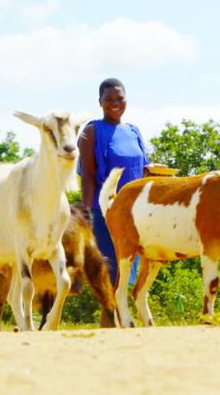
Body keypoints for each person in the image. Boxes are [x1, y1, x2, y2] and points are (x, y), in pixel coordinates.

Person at [77, 78, 150, 285]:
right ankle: (109, 318)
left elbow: (141, 169)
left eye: (120, 98)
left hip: (135, 213)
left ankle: (121, 316)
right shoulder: (91, 132)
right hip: (106, 212)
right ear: (100, 101)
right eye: (108, 99)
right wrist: (86, 215)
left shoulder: (134, 131)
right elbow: (89, 176)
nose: (114, 103)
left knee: (127, 273)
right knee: (110, 274)